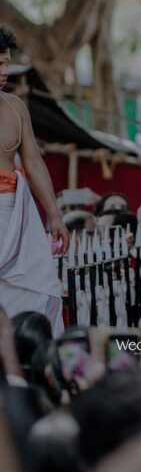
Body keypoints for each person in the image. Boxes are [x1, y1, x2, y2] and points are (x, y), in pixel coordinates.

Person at [0, 25, 68, 334]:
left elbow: (33, 161)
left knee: (38, 291)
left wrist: (53, 213)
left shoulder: (16, 107)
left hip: (14, 215)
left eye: (7, 62)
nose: (5, 70)